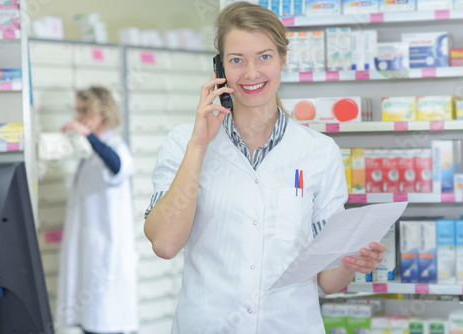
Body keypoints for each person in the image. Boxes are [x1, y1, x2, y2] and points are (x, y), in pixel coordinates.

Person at [144, 2, 385, 333]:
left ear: (283, 60)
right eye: (237, 60)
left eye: (264, 57)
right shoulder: (184, 142)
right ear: (219, 68)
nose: (252, 73)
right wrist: (199, 146)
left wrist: (352, 261)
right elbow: (165, 244)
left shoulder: (319, 152)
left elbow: (329, 281)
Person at [56, 87, 138, 334]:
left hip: (107, 254)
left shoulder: (113, 145)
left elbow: (117, 164)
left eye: (85, 110)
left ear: (101, 113)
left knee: (106, 321)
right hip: (89, 252)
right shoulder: (89, 152)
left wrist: (88, 136)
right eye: (78, 110)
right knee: (90, 321)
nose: (79, 116)